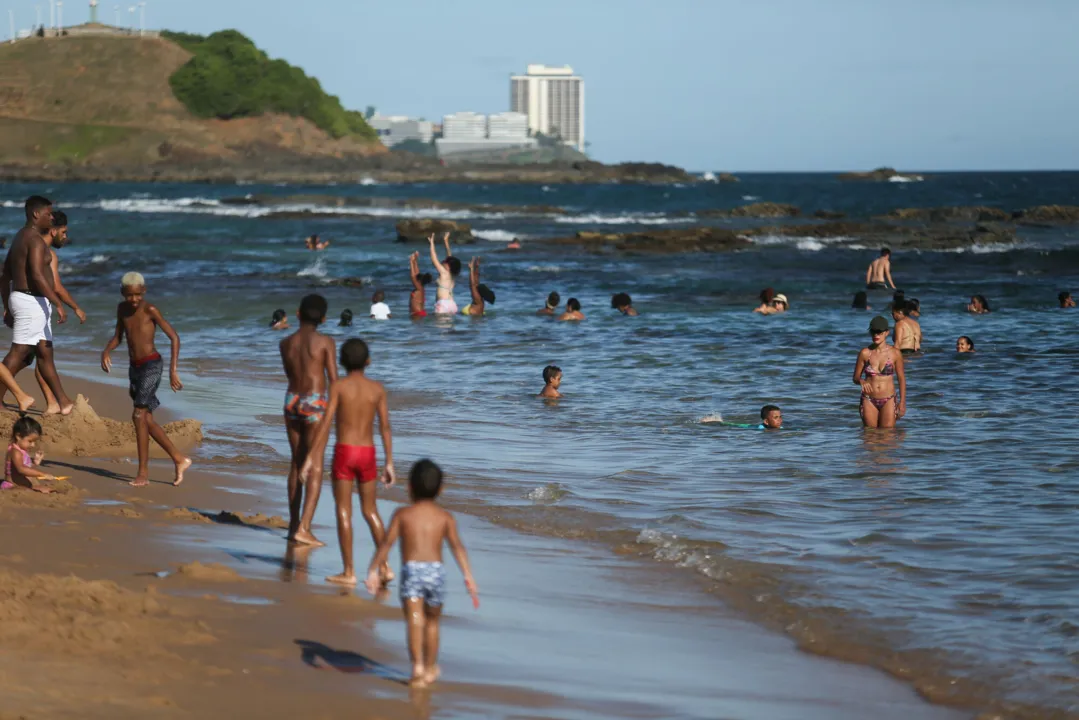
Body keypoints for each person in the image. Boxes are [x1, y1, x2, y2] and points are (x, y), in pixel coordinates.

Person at [364, 459, 479, 688]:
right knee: (433, 622)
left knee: (414, 620)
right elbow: (458, 547)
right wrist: (468, 575)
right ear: (441, 489)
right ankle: (430, 667)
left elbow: (386, 544)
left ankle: (417, 666)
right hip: (436, 573)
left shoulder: (402, 514)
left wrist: (373, 570)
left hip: (412, 571)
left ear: (409, 487)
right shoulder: (445, 517)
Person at [302, 338, 395, 587]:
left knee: (344, 511)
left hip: (345, 452)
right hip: (368, 453)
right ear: (368, 361)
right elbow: (385, 427)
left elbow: (326, 422)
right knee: (371, 510)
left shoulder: (339, 387)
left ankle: (349, 571)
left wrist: (311, 456)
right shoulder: (377, 389)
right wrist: (389, 462)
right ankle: (384, 567)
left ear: (341, 362)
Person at [101, 272, 192, 487]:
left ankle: (142, 473)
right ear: (123, 293)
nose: (133, 300)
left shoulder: (150, 309)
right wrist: (106, 351)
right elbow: (118, 337)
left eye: (137, 295)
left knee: (138, 414)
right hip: (135, 368)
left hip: (152, 365)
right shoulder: (122, 309)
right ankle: (179, 459)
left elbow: (174, 337)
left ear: (144, 291)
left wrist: (173, 371)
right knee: (146, 420)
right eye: (129, 295)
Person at [1, 211, 86, 414]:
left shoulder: (23, 243)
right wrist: (67, 306)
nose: (65, 237)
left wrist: (7, 305)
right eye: (63, 232)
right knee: (22, 353)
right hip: (33, 303)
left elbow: (6, 277)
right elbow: (49, 284)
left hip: (32, 302)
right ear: (53, 229)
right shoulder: (41, 250)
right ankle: (57, 402)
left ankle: (58, 403)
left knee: (43, 354)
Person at [278, 294, 337, 546]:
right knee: (314, 464)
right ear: (323, 318)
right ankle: (305, 527)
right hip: (315, 402)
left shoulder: (285, 342)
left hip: (291, 400)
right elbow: (333, 379)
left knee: (296, 462)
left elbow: (290, 373)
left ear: (298, 313)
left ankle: (293, 525)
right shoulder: (325, 342)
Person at [853, 316, 906, 428]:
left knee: (887, 437)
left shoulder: (895, 353)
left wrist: (902, 403)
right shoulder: (865, 353)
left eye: (879, 332)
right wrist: (861, 381)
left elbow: (901, 379)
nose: (876, 335)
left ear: (887, 332)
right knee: (870, 437)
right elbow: (855, 377)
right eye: (873, 331)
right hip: (868, 399)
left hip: (889, 399)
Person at [4, 416, 57, 493]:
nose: (33, 445)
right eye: (30, 441)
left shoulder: (22, 451)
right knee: (31, 492)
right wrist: (42, 474)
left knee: (48, 490)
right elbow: (21, 469)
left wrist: (34, 463)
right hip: (12, 486)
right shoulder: (15, 451)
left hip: (23, 485)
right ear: (18, 436)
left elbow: (26, 468)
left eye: (34, 442)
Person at [429, 233, 461, 315]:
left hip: (443, 305)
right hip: (452, 304)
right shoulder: (452, 275)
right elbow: (449, 257)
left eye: (446, 262)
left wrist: (432, 244)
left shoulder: (444, 273)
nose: (444, 261)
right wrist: (446, 241)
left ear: (449, 266)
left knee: (438, 326)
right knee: (448, 327)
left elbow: (434, 259)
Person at [409, 251, 432, 319]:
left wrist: (411, 261)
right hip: (419, 313)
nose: (415, 280)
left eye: (417, 280)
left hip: (417, 314)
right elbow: (416, 274)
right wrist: (415, 261)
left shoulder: (419, 288)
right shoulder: (421, 288)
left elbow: (413, 276)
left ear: (419, 281)